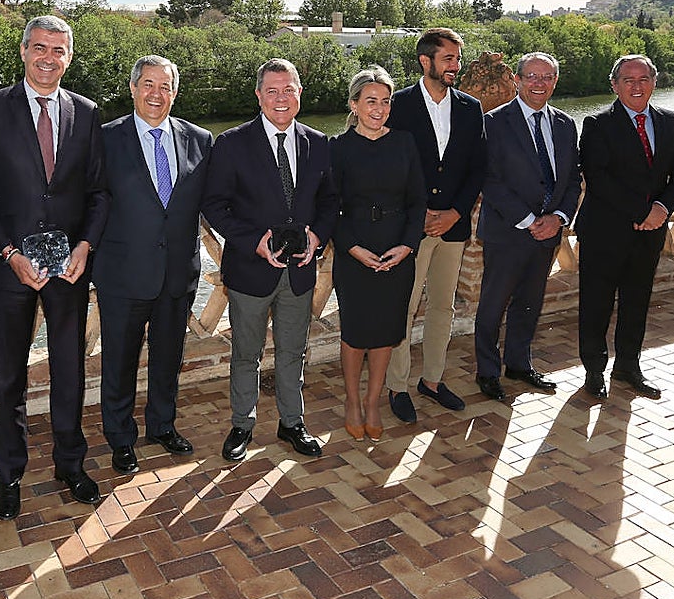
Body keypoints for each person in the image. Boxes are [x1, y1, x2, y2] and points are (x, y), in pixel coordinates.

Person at [0, 15, 108, 519]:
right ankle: (9, 474)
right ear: (23, 51)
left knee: (70, 368)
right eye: (40, 48)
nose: (49, 58)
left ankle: (71, 464)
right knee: (8, 376)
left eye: (59, 50)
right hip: (9, 269)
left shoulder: (86, 113)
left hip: (69, 268)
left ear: (69, 57)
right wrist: (9, 253)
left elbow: (98, 192)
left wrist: (87, 246)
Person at [202, 58, 339, 461]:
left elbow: (330, 201)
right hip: (249, 270)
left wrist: (317, 234)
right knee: (247, 352)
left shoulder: (318, 143)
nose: (281, 98)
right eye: (273, 90)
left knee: (294, 351)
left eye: (289, 90)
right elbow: (215, 205)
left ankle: (291, 422)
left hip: (299, 272)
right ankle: (242, 424)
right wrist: (252, 241)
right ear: (259, 95)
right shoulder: (231, 143)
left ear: (300, 93)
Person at [95, 55, 212, 474]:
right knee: (120, 362)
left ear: (175, 93)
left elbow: (213, 204)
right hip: (122, 273)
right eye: (148, 84)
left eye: (165, 86)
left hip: (178, 273)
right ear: (132, 88)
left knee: (168, 357)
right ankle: (120, 438)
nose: (156, 94)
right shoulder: (105, 139)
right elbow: (88, 201)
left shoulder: (200, 140)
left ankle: (162, 425)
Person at [576, 54, 674, 399]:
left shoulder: (669, 121)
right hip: (605, 231)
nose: (636, 86)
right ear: (614, 86)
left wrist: (661, 208)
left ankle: (628, 366)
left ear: (654, 83)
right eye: (628, 80)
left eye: (643, 79)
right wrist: (643, 211)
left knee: (637, 301)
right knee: (596, 303)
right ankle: (594, 371)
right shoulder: (597, 124)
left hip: (649, 232)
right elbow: (598, 178)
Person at [385, 28, 487, 421]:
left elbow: (478, 166)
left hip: (454, 226)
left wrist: (456, 213)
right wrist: (420, 213)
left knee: (443, 306)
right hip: (411, 228)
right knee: (404, 307)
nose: (455, 66)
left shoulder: (469, 107)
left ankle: (432, 380)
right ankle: (398, 386)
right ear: (425, 61)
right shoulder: (399, 106)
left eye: (458, 59)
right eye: (449, 59)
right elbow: (391, 166)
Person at [472, 53, 581, 401]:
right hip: (508, 232)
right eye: (531, 76)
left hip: (549, 233)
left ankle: (519, 363)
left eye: (547, 77)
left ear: (555, 82)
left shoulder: (565, 124)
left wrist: (559, 218)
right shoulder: (494, 122)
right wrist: (529, 220)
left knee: (530, 303)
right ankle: (487, 371)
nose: (539, 83)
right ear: (517, 80)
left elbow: (572, 180)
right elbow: (489, 179)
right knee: (493, 305)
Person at [329, 66, 425, 441]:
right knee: (355, 333)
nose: (379, 108)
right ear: (354, 105)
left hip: (397, 248)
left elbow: (417, 201)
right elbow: (330, 206)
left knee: (386, 332)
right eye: (371, 101)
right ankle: (352, 402)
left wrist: (407, 245)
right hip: (354, 251)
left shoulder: (404, 142)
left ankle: (373, 403)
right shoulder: (337, 148)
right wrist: (353, 249)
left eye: (385, 101)